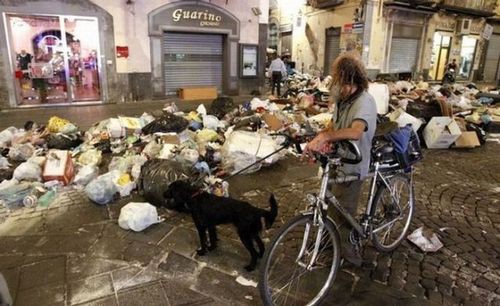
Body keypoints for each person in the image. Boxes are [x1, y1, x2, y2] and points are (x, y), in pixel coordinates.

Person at [304, 52, 377, 266]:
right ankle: (328, 243)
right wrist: (320, 139)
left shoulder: (364, 101)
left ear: (355, 81)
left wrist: (327, 136)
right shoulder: (344, 100)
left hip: (353, 164)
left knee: (343, 213)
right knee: (327, 203)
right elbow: (336, 126)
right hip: (337, 161)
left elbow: (355, 131)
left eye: (345, 84)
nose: (341, 88)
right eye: (339, 83)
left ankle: (349, 253)